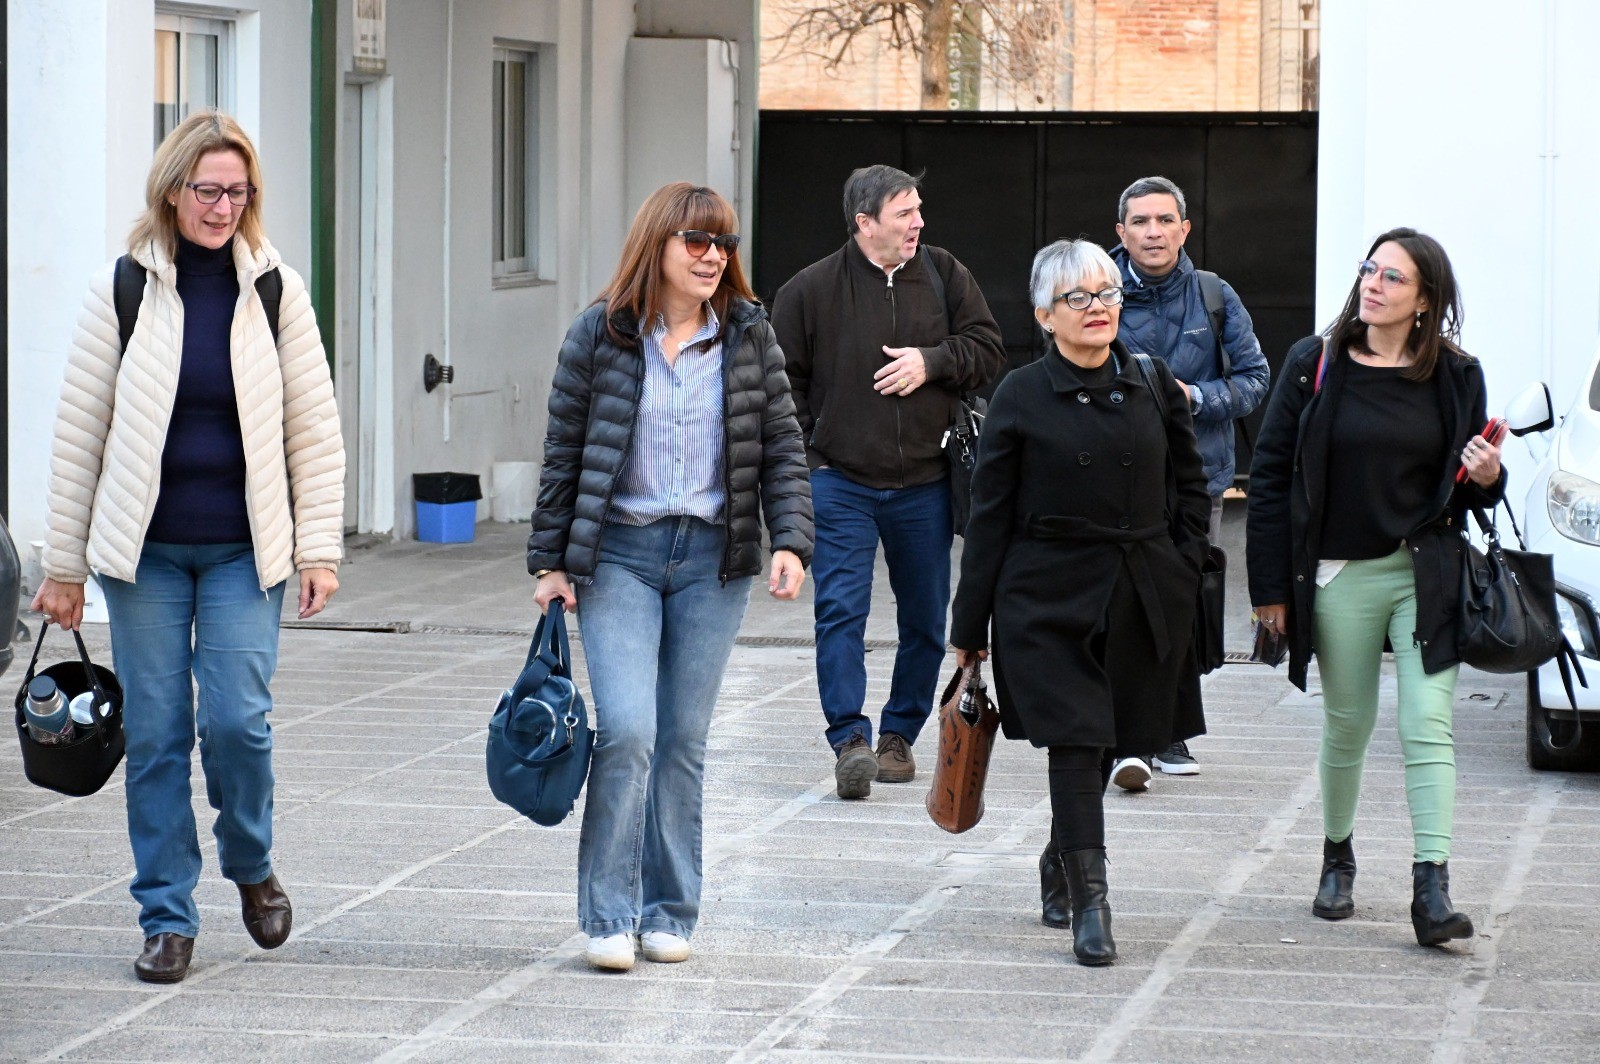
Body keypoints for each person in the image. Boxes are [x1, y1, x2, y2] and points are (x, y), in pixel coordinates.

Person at [33, 111, 345, 983]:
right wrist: (63, 566)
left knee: (239, 724)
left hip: (248, 550)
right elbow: (79, 431)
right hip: (145, 557)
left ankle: (250, 864)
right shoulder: (125, 288)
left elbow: (313, 428)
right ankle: (167, 915)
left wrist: (318, 547)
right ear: (172, 190)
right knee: (162, 735)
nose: (221, 205)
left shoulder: (275, 289)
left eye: (236, 191)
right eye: (207, 189)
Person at [528, 183, 813, 972]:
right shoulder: (600, 334)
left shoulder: (749, 336)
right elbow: (564, 453)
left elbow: (783, 444)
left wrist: (790, 539)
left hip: (713, 562)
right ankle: (608, 913)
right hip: (620, 552)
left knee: (683, 739)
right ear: (656, 244)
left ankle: (668, 910)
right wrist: (550, 562)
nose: (713, 256)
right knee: (628, 731)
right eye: (696, 241)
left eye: (722, 243)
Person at [949, 239, 1210, 966]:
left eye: (1107, 294)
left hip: (1139, 588)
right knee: (1075, 737)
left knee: (1109, 735)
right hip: (1045, 594)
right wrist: (969, 628)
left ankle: (1061, 855)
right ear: (1045, 314)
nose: (1098, 309)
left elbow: (1192, 488)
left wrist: (1184, 564)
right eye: (1079, 298)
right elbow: (989, 516)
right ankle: (1092, 902)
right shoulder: (1021, 393)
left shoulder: (1153, 382)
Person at [1246, 228, 1503, 947]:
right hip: (1340, 575)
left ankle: (1432, 885)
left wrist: (1488, 476)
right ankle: (1338, 856)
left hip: (1425, 572)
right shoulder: (1315, 363)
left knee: (1427, 724)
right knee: (1349, 724)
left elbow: (1469, 490)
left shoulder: (1456, 374)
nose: (1374, 284)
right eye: (1369, 270)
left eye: (1393, 278)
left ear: (1424, 303)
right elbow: (1268, 478)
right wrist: (1270, 588)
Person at [771, 164, 1005, 800]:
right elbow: (780, 383)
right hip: (839, 480)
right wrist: (808, 457)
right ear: (865, 222)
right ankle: (849, 739)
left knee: (928, 618)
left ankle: (899, 735)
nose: (918, 223)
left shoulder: (947, 274)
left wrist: (931, 363)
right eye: (905, 213)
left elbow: (988, 349)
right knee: (840, 611)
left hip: (926, 482)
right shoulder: (808, 290)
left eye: (919, 211)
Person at [1110, 175, 1271, 787]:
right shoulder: (1097, 292)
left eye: (1164, 221)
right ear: (1120, 232)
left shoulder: (1214, 295)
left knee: (1180, 601)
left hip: (1197, 479)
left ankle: (1170, 729)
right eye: (1140, 222)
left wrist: (1193, 398)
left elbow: (1255, 380)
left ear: (1184, 228)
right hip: (1115, 479)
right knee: (1121, 603)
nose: (1153, 232)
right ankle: (1129, 730)